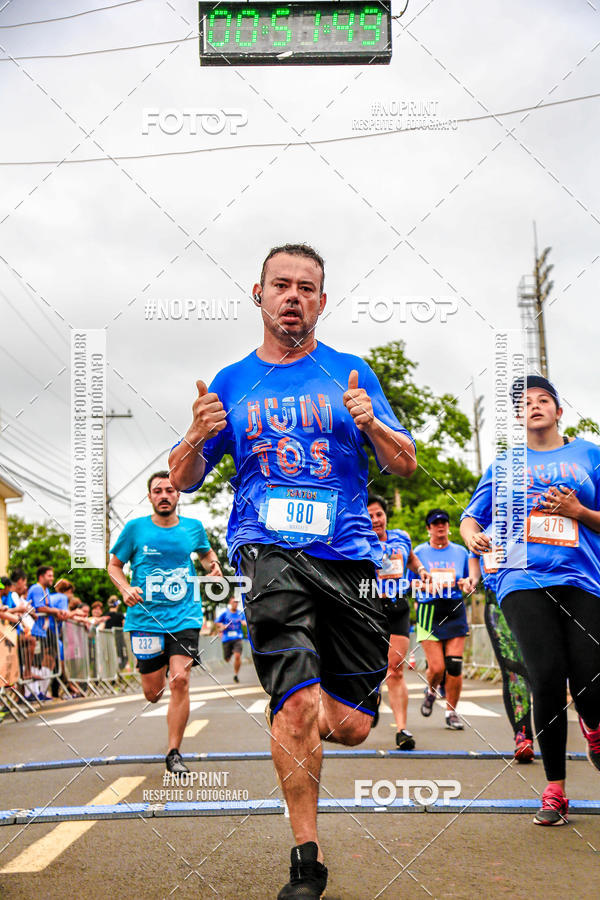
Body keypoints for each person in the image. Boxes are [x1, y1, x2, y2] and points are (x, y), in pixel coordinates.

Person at [169, 243, 416, 899]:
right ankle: (306, 856)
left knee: (351, 725)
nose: (294, 296)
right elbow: (184, 479)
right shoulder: (230, 382)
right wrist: (194, 437)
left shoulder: (352, 373)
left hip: (352, 559)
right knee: (299, 703)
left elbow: (405, 464)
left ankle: (308, 711)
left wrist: (376, 428)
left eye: (307, 287)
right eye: (282, 284)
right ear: (260, 294)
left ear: (322, 302)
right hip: (269, 549)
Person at [461, 375, 600, 825]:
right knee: (545, 675)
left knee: (589, 680)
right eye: (525, 403)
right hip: (521, 579)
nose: (534, 406)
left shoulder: (589, 455)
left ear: (559, 412)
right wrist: (474, 539)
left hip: (583, 579)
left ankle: (594, 728)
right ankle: (555, 789)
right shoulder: (503, 466)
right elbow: (470, 518)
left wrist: (578, 512)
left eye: (544, 400)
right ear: (518, 416)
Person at [108, 470, 222, 775]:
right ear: (150, 497)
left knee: (180, 680)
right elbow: (114, 566)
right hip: (145, 619)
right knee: (153, 693)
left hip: (185, 615)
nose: (164, 495)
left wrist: (214, 568)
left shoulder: (193, 528)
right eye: (157, 491)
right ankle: (151, 667)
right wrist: (125, 588)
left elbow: (208, 556)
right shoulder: (135, 529)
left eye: (169, 490)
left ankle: (173, 752)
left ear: (178, 495)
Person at [366, 493, 430, 750]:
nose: (375, 520)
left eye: (378, 514)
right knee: (371, 667)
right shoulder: (356, 540)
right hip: (369, 607)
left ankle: (402, 730)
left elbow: (411, 558)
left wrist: (422, 570)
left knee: (395, 670)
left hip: (397, 607)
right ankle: (372, 697)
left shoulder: (401, 536)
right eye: (369, 516)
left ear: (385, 515)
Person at [468, 546, 534, 762]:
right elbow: (473, 554)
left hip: (539, 596)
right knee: (514, 669)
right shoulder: (484, 518)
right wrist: (472, 579)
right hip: (498, 602)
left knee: (544, 669)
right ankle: (523, 736)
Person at [412, 509, 475, 730]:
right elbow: (408, 583)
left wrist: (466, 584)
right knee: (437, 668)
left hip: (454, 609)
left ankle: (451, 712)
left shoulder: (460, 552)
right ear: (428, 528)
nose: (441, 526)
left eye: (444, 523)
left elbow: (469, 579)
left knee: (454, 666)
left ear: (449, 526)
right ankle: (431, 690)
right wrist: (427, 585)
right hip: (429, 610)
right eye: (435, 523)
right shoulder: (419, 552)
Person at [26, 566, 68, 700]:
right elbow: (40, 607)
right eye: (49, 575)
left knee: (45, 659)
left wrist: (56, 611)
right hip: (34, 630)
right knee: (34, 661)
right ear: (41, 576)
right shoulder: (37, 588)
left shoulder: (46, 590)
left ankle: (40, 692)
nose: (52, 578)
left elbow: (47, 607)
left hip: (43, 631)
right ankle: (31, 693)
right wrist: (56, 611)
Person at [216, 596, 246, 682]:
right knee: (227, 659)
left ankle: (236, 674)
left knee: (237, 656)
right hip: (226, 638)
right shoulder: (225, 613)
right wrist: (222, 626)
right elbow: (217, 622)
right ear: (230, 603)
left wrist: (244, 623)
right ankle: (229, 655)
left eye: (236, 602)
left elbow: (244, 622)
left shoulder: (240, 613)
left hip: (238, 637)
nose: (235, 604)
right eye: (233, 602)